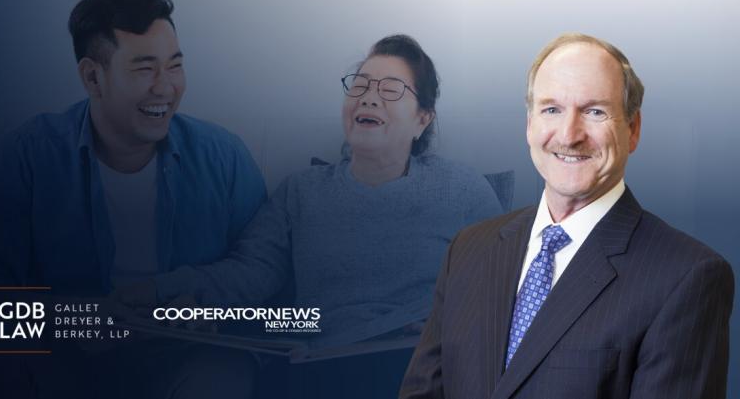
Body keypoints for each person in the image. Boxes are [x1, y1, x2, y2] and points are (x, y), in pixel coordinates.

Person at [134, 34, 506, 397]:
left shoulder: (463, 189)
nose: (369, 98)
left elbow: (501, 284)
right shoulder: (302, 192)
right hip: (327, 367)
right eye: (359, 86)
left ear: (422, 120)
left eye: (390, 90)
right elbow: (248, 273)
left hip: (424, 364)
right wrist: (159, 291)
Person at [399, 33, 735, 399]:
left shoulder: (687, 276)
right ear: (530, 124)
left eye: (594, 112)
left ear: (633, 129)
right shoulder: (468, 249)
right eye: (551, 109)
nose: (569, 135)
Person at [0, 0, 265, 398]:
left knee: (225, 373)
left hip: (186, 356)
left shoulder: (223, 155)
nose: (165, 88)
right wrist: (76, 317)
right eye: (144, 69)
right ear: (93, 76)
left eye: (175, 66)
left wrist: (204, 302)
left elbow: (263, 267)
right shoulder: (30, 156)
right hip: (65, 356)